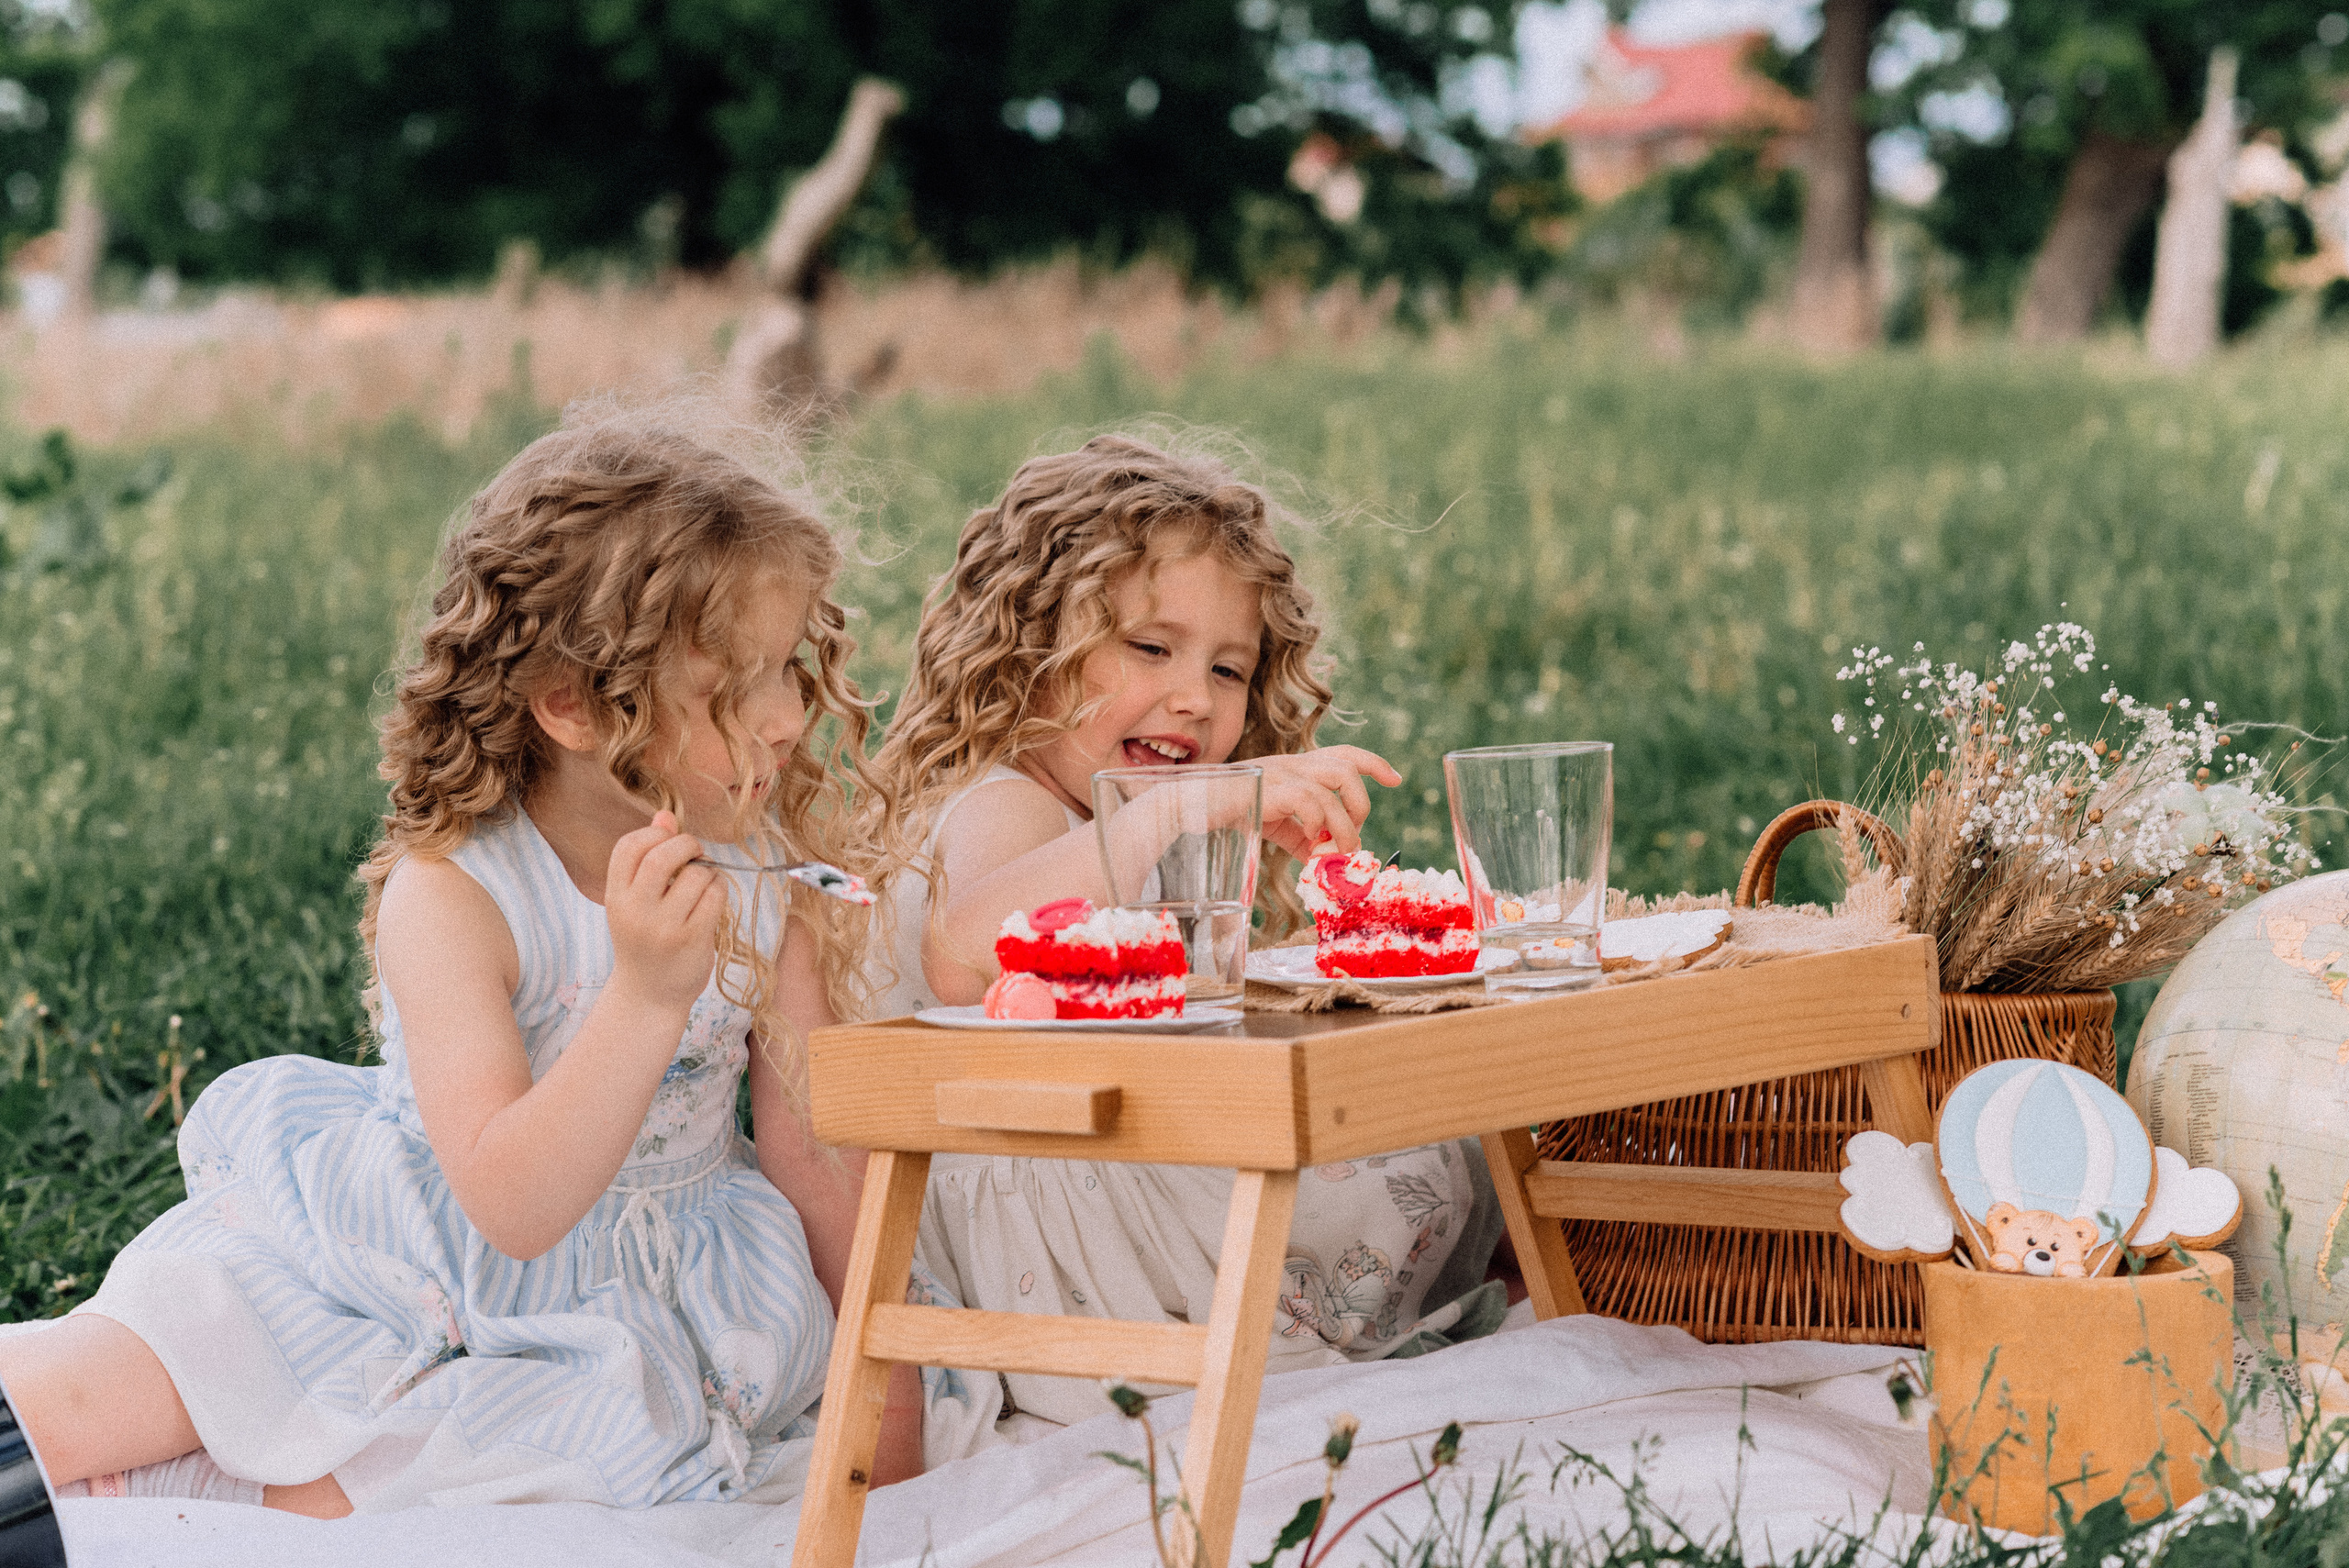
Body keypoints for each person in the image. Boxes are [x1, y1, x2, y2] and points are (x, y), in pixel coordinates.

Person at [0, 402, 923, 1515]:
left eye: (791, 667)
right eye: (739, 682)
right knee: (99, 1394)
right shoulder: (454, 895)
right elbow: (511, 1202)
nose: (786, 717)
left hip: (627, 1311)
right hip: (405, 1259)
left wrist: (895, 1390)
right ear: (573, 705)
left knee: (428, 1492)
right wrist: (641, 996)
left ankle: (169, 1508)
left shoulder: (763, 875)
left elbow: (812, 1153)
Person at [868, 432, 1507, 1454]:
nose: (1195, 698)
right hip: (1052, 1201)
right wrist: (1173, 815)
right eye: (1149, 648)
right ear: (1029, 642)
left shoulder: (1118, 821)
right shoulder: (1005, 804)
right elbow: (964, 939)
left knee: (1426, 1111)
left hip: (1110, 1151)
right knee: (1385, 1159)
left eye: (1228, 668)